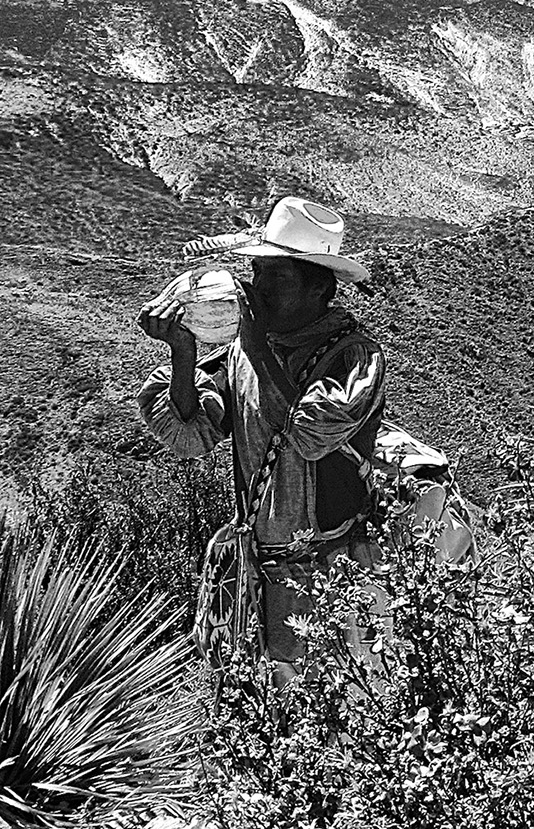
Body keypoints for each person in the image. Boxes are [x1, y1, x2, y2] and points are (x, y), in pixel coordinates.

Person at [136, 197, 386, 677]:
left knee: (325, 698)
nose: (260, 289)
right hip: (258, 565)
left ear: (320, 290)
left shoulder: (354, 358)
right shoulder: (242, 354)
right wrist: (183, 354)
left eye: (278, 278)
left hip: (326, 566)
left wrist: (251, 342)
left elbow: (310, 433)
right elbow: (192, 433)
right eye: (258, 273)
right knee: (260, 697)